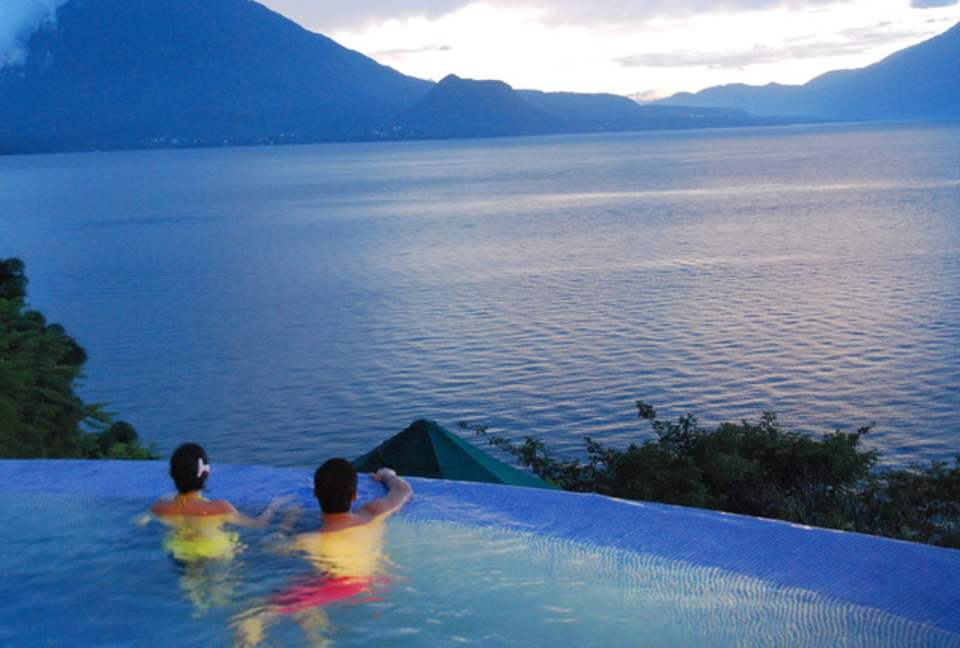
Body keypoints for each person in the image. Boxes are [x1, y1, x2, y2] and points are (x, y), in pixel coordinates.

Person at [234, 459, 412, 647]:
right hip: (376, 577)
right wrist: (387, 475)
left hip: (340, 585)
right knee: (303, 596)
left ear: (316, 494)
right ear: (354, 496)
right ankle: (318, 639)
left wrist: (287, 521)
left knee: (249, 615)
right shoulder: (373, 514)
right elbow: (403, 491)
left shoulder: (308, 539)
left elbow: (269, 547)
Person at [141, 443, 290, 614]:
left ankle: (197, 605)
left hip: (179, 548)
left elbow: (142, 521)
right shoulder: (221, 508)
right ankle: (222, 604)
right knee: (223, 591)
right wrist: (274, 506)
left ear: (170, 473)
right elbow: (259, 524)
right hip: (215, 550)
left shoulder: (159, 508)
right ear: (207, 474)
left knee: (191, 583)